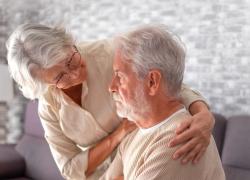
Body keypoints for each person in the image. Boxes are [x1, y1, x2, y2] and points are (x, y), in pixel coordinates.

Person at [6, 23, 214, 180]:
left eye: (71, 60)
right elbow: (70, 169)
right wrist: (118, 135)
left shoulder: (109, 54)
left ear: (69, 43)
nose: (74, 74)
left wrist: (203, 115)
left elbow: (166, 83)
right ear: (45, 84)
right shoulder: (49, 106)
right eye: (59, 77)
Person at [101, 24, 225, 180]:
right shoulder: (134, 134)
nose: (111, 87)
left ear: (152, 82)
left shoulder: (180, 139)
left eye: (120, 76)